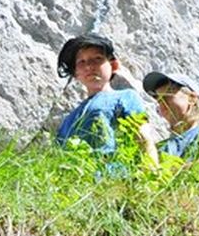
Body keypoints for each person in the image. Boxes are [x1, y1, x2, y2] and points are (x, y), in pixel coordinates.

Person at [54, 34, 158, 170]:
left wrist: (151, 173)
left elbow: (143, 136)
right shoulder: (69, 119)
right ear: (76, 73)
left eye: (97, 59)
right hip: (79, 182)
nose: (89, 66)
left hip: (117, 176)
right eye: (82, 62)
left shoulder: (126, 96)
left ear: (113, 65)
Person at [141, 71, 199, 169]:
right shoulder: (161, 147)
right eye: (159, 102)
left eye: (167, 98)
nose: (162, 106)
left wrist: (163, 172)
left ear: (192, 99)